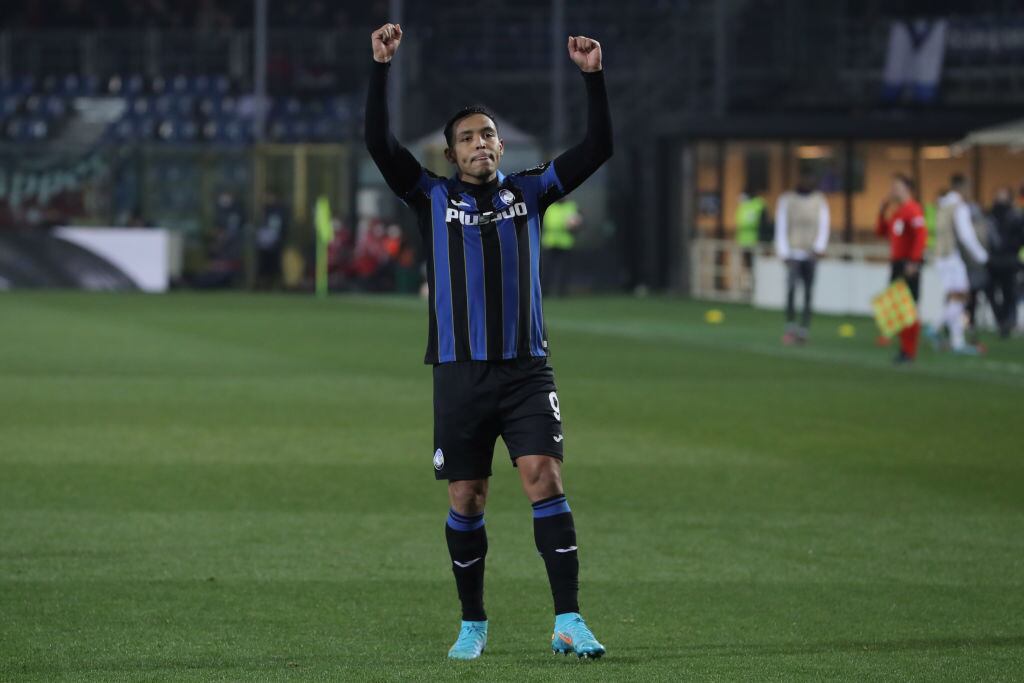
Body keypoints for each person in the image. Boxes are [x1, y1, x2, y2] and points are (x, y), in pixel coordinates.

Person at [364, 23, 612, 661]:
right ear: (451, 154)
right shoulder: (431, 196)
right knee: (467, 496)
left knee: (544, 477)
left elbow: (599, 147)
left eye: (488, 134)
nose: (481, 144)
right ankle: (473, 621)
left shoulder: (530, 192)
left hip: (527, 368)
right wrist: (381, 68)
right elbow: (378, 143)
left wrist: (593, 78)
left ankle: (568, 619)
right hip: (459, 372)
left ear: (501, 146)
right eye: (468, 138)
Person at [933, 174, 988, 354]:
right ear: (963, 187)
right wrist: (982, 256)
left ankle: (957, 341)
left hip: (940, 256)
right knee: (962, 295)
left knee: (955, 297)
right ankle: (934, 327)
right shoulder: (959, 206)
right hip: (951, 257)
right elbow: (966, 236)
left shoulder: (943, 204)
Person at [875, 173, 927, 363]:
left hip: (908, 264)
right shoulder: (898, 212)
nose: (892, 190)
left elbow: (921, 236)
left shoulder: (913, 210)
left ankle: (909, 351)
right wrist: (882, 211)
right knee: (897, 307)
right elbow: (881, 232)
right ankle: (903, 349)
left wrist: (914, 261)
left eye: (896, 186)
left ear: (907, 188)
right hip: (897, 263)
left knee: (908, 308)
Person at [774, 171, 830, 344]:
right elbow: (781, 226)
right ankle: (790, 327)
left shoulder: (819, 200)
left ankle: (804, 329)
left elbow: (824, 224)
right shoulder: (787, 199)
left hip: (810, 253)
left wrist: (819, 247)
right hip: (793, 252)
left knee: (808, 292)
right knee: (791, 290)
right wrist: (783, 252)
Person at [986, 187, 1024, 337]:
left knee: (1009, 293)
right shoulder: (991, 215)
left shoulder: (1016, 216)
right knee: (991, 292)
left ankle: (1008, 321)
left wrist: (1013, 249)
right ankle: (1002, 319)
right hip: (994, 260)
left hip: (1009, 259)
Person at [541, 198, 582, 297]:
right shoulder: (549, 206)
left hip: (565, 243)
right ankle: (544, 291)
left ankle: (561, 292)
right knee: (546, 269)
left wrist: (575, 225)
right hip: (550, 242)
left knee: (563, 269)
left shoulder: (572, 206)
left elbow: (580, 222)